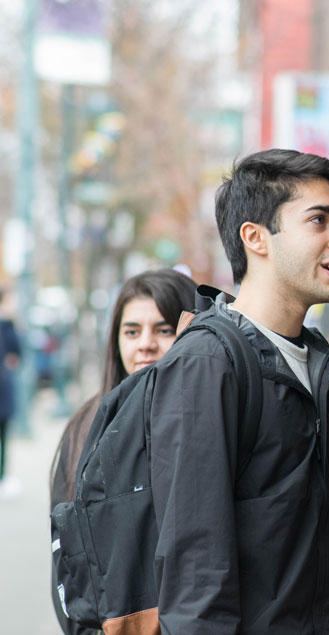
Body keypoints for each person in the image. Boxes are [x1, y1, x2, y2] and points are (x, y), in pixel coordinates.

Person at [148, 149, 329, 632]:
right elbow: (195, 567)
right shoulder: (208, 363)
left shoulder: (310, 361)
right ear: (255, 238)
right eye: (319, 221)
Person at [49, 268, 196, 635]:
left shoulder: (205, 428)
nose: (145, 343)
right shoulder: (82, 431)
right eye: (132, 331)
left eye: (163, 330)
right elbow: (65, 564)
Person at [0, 289, 21, 499]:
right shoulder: (6, 325)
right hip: (3, 389)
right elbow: (16, 353)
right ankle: (3, 476)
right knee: (4, 436)